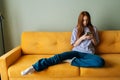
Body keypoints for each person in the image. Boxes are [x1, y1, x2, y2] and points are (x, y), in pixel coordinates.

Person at [21, 11, 105, 76]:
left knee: (100, 61)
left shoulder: (94, 29)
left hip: (88, 53)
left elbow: (96, 43)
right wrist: (82, 38)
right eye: (83, 20)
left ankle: (72, 61)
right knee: (57, 57)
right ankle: (33, 67)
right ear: (80, 20)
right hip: (75, 52)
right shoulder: (76, 29)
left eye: (87, 20)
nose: (85, 22)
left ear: (89, 19)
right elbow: (74, 44)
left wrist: (92, 37)